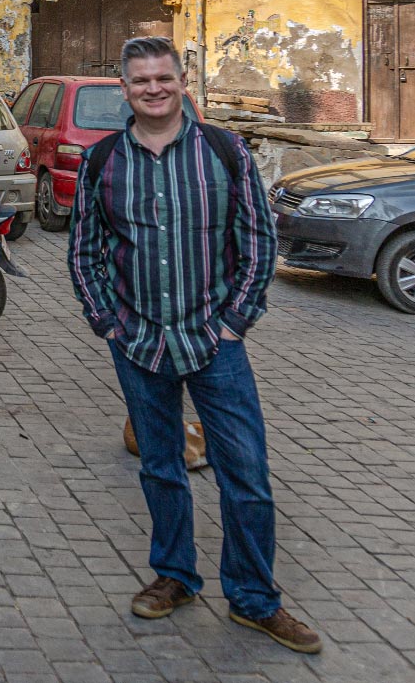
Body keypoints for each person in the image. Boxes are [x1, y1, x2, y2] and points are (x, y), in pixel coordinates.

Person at [67, 35, 320, 654]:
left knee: (247, 474)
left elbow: (259, 243)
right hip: (139, 344)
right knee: (160, 467)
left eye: (164, 78)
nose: (153, 89)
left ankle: (254, 600)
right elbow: (83, 253)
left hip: (215, 342)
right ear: (123, 89)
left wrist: (234, 323)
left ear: (183, 82)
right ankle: (175, 576)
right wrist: (110, 324)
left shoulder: (224, 151)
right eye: (140, 81)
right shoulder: (104, 163)